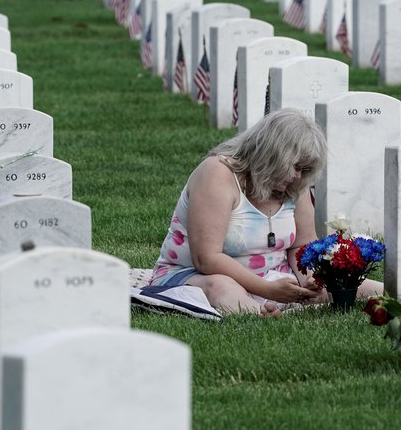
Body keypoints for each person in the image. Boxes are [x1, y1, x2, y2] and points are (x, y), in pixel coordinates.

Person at [150, 109, 382, 317]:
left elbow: (302, 245)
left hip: (275, 276)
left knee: (357, 287)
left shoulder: (294, 186)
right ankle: (259, 315)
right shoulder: (217, 174)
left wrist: (309, 279)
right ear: (270, 155)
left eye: (305, 170)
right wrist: (268, 290)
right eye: (294, 167)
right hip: (195, 275)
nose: (298, 177)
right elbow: (207, 259)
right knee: (223, 289)